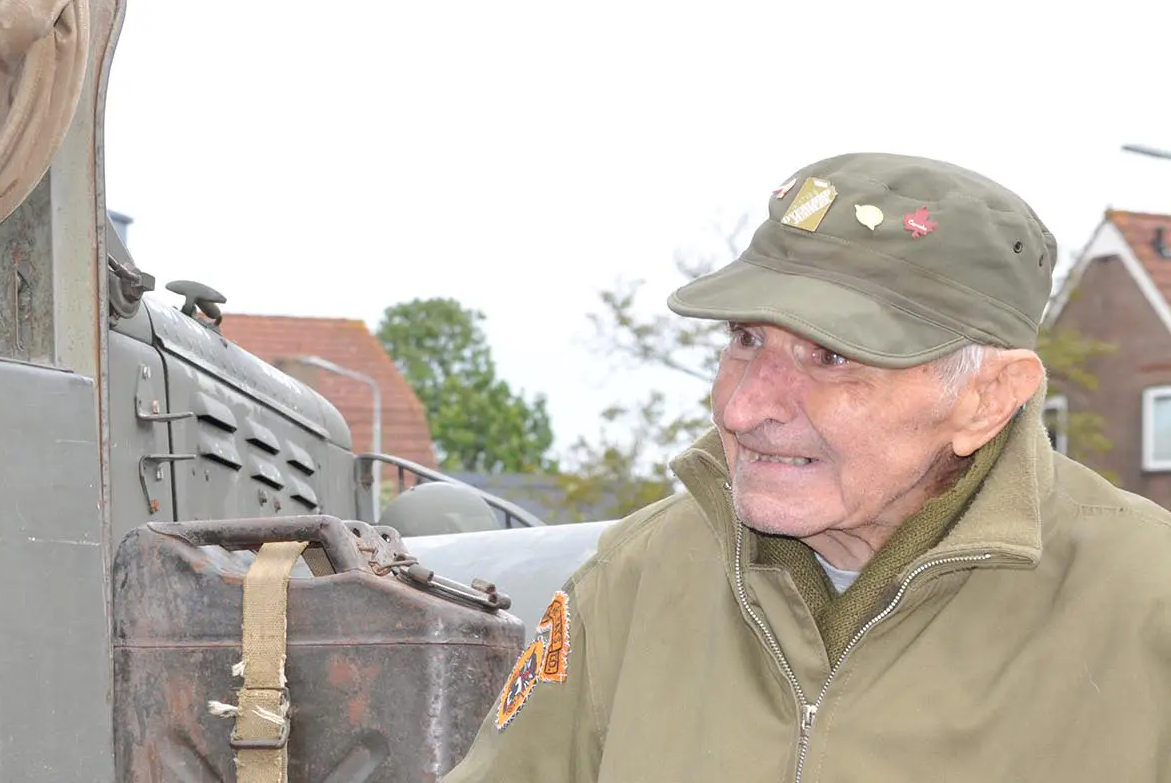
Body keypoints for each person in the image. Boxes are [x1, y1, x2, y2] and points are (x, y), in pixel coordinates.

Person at [441, 152, 1171, 782]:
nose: (742, 408)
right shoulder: (638, 577)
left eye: (832, 356)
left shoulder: (1145, 605)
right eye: (746, 339)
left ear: (988, 397)